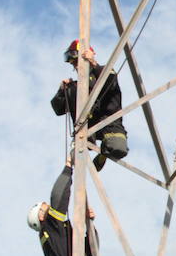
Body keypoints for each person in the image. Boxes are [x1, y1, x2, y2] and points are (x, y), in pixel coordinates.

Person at [51, 40, 128, 171]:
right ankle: (86, 143)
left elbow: (110, 83)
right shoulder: (75, 87)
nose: (75, 65)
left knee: (118, 147)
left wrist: (93, 63)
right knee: (77, 157)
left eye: (76, 61)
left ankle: (104, 153)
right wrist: (62, 90)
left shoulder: (104, 71)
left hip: (109, 123)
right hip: (86, 127)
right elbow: (58, 109)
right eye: (73, 63)